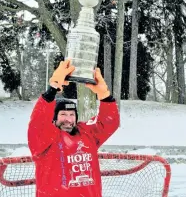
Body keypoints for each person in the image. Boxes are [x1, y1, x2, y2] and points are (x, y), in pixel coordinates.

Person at [28, 59, 120, 197]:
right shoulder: (44, 138)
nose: (68, 119)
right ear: (54, 118)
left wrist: (105, 96)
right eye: (63, 114)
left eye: (72, 114)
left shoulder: (86, 133)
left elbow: (109, 123)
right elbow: (38, 123)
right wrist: (52, 89)